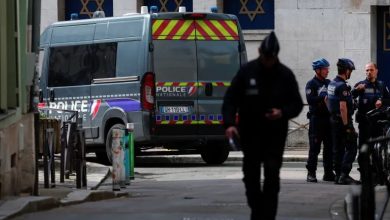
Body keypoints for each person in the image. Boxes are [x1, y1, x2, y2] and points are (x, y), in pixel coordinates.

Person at [222, 31, 303, 220]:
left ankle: (267, 216)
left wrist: (282, 112)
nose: (268, 61)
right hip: (250, 134)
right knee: (250, 176)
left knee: (272, 175)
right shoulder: (247, 71)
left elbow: (296, 103)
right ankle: (257, 210)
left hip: (275, 134)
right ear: (260, 52)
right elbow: (230, 99)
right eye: (265, 57)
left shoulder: (285, 75)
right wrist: (229, 124)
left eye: (271, 58)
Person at [327, 58, 359, 185]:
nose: (350, 73)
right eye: (350, 70)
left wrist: (332, 113)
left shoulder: (332, 84)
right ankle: (344, 174)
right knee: (352, 147)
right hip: (342, 121)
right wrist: (347, 126)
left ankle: (338, 175)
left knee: (338, 148)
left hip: (333, 120)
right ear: (347, 71)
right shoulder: (343, 86)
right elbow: (343, 107)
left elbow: (326, 100)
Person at [305, 58, 335, 183]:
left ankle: (328, 173)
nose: (327, 71)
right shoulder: (311, 84)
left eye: (328, 68)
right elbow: (310, 100)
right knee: (315, 148)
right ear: (318, 70)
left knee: (329, 148)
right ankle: (311, 173)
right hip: (316, 120)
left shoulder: (329, 83)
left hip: (328, 120)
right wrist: (322, 97)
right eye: (325, 69)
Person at [352, 62, 390, 146]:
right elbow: (350, 97)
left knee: (377, 151)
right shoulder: (360, 85)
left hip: (378, 123)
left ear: (376, 71)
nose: (369, 72)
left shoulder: (381, 85)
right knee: (363, 150)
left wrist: (382, 101)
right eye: (367, 70)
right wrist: (356, 90)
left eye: (371, 70)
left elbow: (388, 100)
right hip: (364, 123)